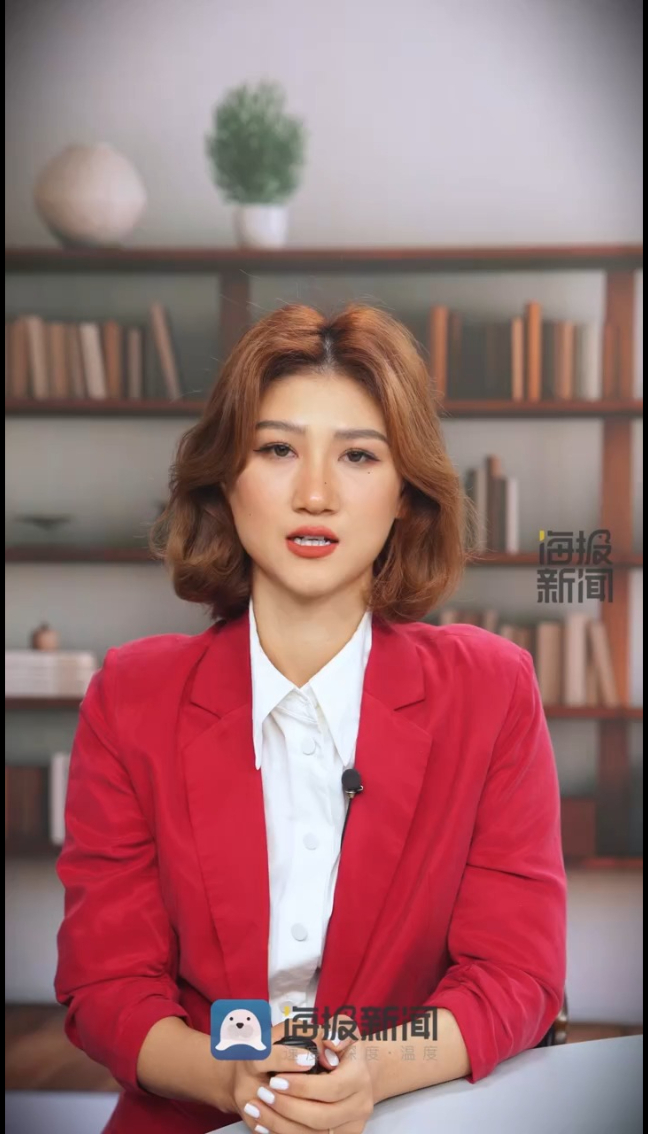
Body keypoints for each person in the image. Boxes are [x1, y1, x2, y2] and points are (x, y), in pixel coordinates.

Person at [54, 302, 567, 1134]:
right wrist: (230, 1077)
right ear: (227, 478)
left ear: (404, 494)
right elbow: (106, 985)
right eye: (277, 450)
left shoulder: (492, 690)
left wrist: (377, 1070)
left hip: (407, 1115)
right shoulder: (132, 696)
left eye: (358, 455)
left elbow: (515, 973)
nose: (316, 494)